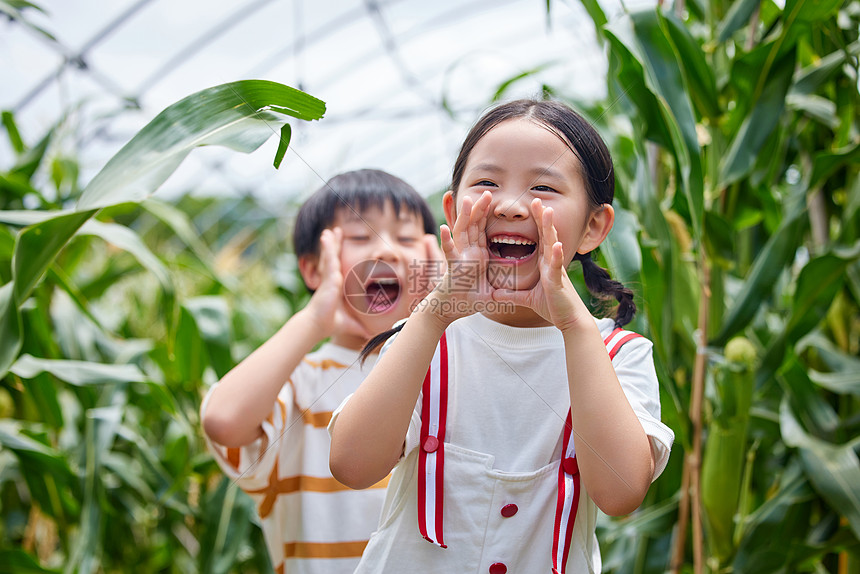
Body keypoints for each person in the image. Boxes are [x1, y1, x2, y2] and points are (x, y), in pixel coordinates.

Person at [329, 100, 675, 573]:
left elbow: (619, 493)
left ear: (594, 226)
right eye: (488, 183)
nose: (510, 205)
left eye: (543, 187)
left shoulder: (620, 356)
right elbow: (352, 464)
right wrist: (434, 315)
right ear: (453, 208)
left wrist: (574, 328)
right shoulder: (427, 341)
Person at [201, 169, 440, 574]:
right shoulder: (300, 384)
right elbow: (223, 421)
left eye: (405, 239)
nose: (389, 252)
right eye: (361, 238)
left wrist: (441, 305)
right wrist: (317, 316)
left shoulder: (447, 375)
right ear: (313, 270)